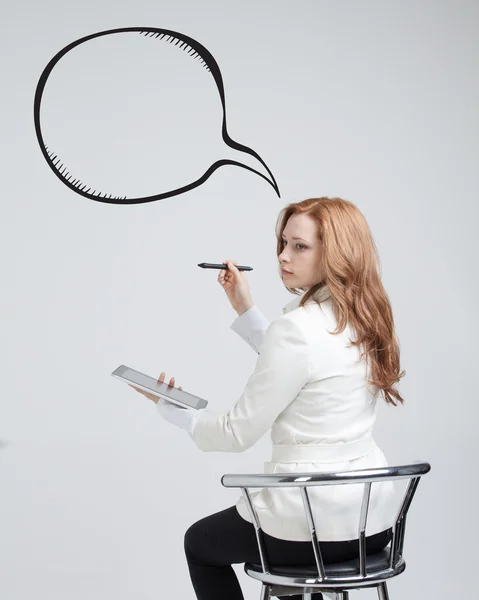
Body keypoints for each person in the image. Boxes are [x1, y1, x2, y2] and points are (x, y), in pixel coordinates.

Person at [130, 197, 405, 600]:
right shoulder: (364, 318)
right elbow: (304, 367)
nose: (282, 256)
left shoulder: (296, 330)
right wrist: (244, 306)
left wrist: (179, 414)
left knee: (200, 544)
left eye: (299, 246)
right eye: (282, 243)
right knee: (279, 540)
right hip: (371, 525)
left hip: (310, 527)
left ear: (337, 252)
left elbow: (237, 432)